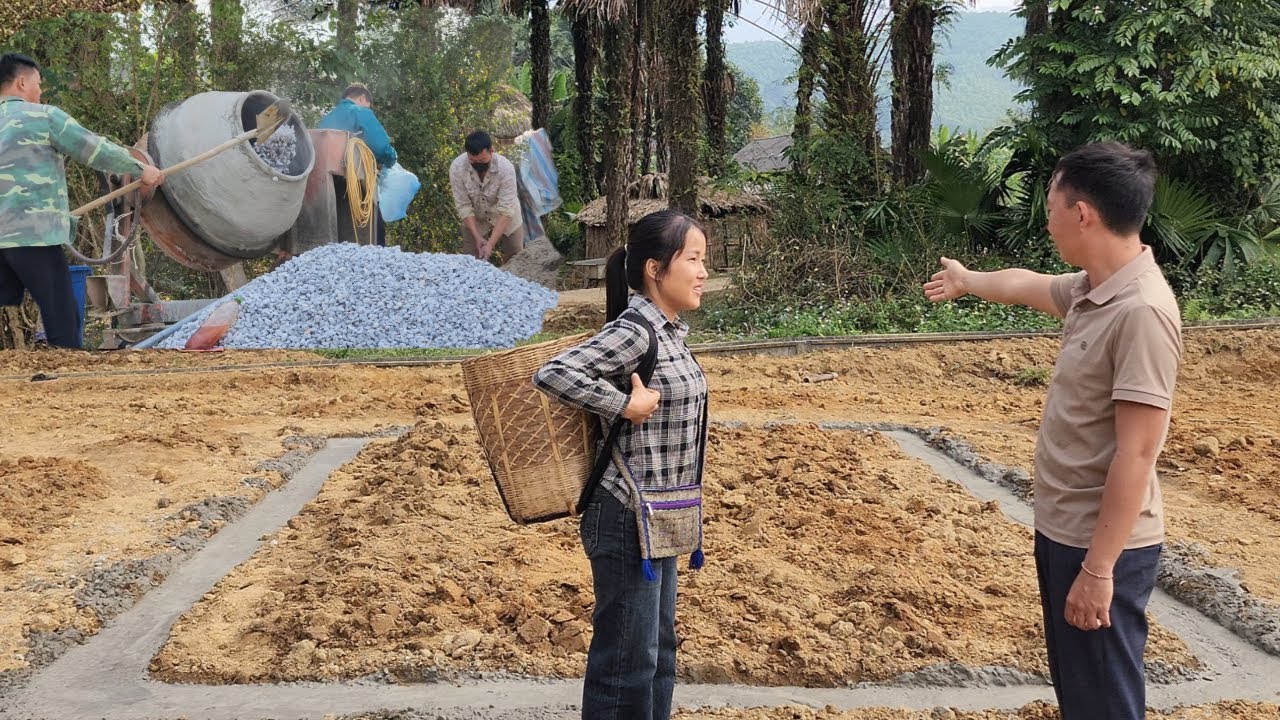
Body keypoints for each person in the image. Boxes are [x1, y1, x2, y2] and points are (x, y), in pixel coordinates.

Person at [923, 141, 1182, 720]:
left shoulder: (1141, 311)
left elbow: (1138, 454)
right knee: (1081, 694)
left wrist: (1098, 570)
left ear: (1082, 213)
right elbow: (1028, 285)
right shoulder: (1094, 289)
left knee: (1105, 701)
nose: (1047, 221)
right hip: (1066, 530)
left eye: (1051, 208)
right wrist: (968, 280)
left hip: (1101, 545)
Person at [533, 210, 710, 720]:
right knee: (627, 663)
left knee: (657, 654)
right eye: (693, 260)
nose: (703, 272)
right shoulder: (636, 330)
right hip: (626, 512)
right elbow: (553, 373)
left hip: (661, 516)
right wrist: (623, 406)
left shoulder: (672, 330)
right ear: (655, 269)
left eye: (704, 260)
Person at [0, 53, 164, 349]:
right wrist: (141, 168)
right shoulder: (44, 117)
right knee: (62, 315)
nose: (40, 92)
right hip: (33, 235)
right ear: (22, 82)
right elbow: (94, 149)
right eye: (38, 84)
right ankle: (67, 379)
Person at [317, 82, 397, 246]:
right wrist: (392, 158)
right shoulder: (361, 112)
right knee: (373, 232)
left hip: (328, 188)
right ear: (362, 98)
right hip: (356, 182)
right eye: (368, 105)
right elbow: (381, 147)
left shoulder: (326, 118)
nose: (369, 109)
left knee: (340, 233)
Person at [449, 130, 523, 261]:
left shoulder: (505, 168)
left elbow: (506, 210)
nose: (478, 163)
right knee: (470, 259)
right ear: (467, 154)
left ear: (492, 151)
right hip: (476, 217)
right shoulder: (457, 168)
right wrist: (477, 238)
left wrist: (491, 243)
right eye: (473, 160)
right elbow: (463, 206)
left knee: (515, 255)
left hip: (505, 215)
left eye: (482, 160)